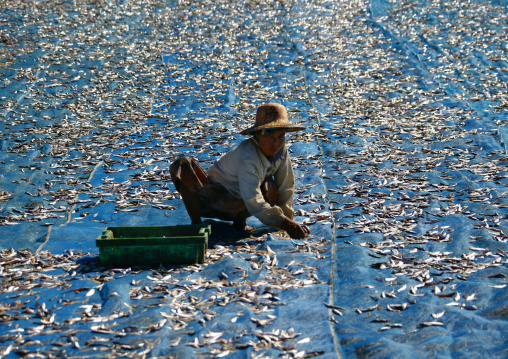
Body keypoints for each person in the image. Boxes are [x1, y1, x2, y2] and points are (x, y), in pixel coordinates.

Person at [169, 102, 311, 239]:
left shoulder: (280, 149)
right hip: (212, 199)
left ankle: (240, 222)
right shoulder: (248, 156)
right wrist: (285, 223)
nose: (276, 142)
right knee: (182, 164)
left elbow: (286, 185)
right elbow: (253, 199)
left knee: (270, 186)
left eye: (281, 136)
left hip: (240, 203)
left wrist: (288, 221)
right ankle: (196, 224)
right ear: (257, 135)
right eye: (269, 136)